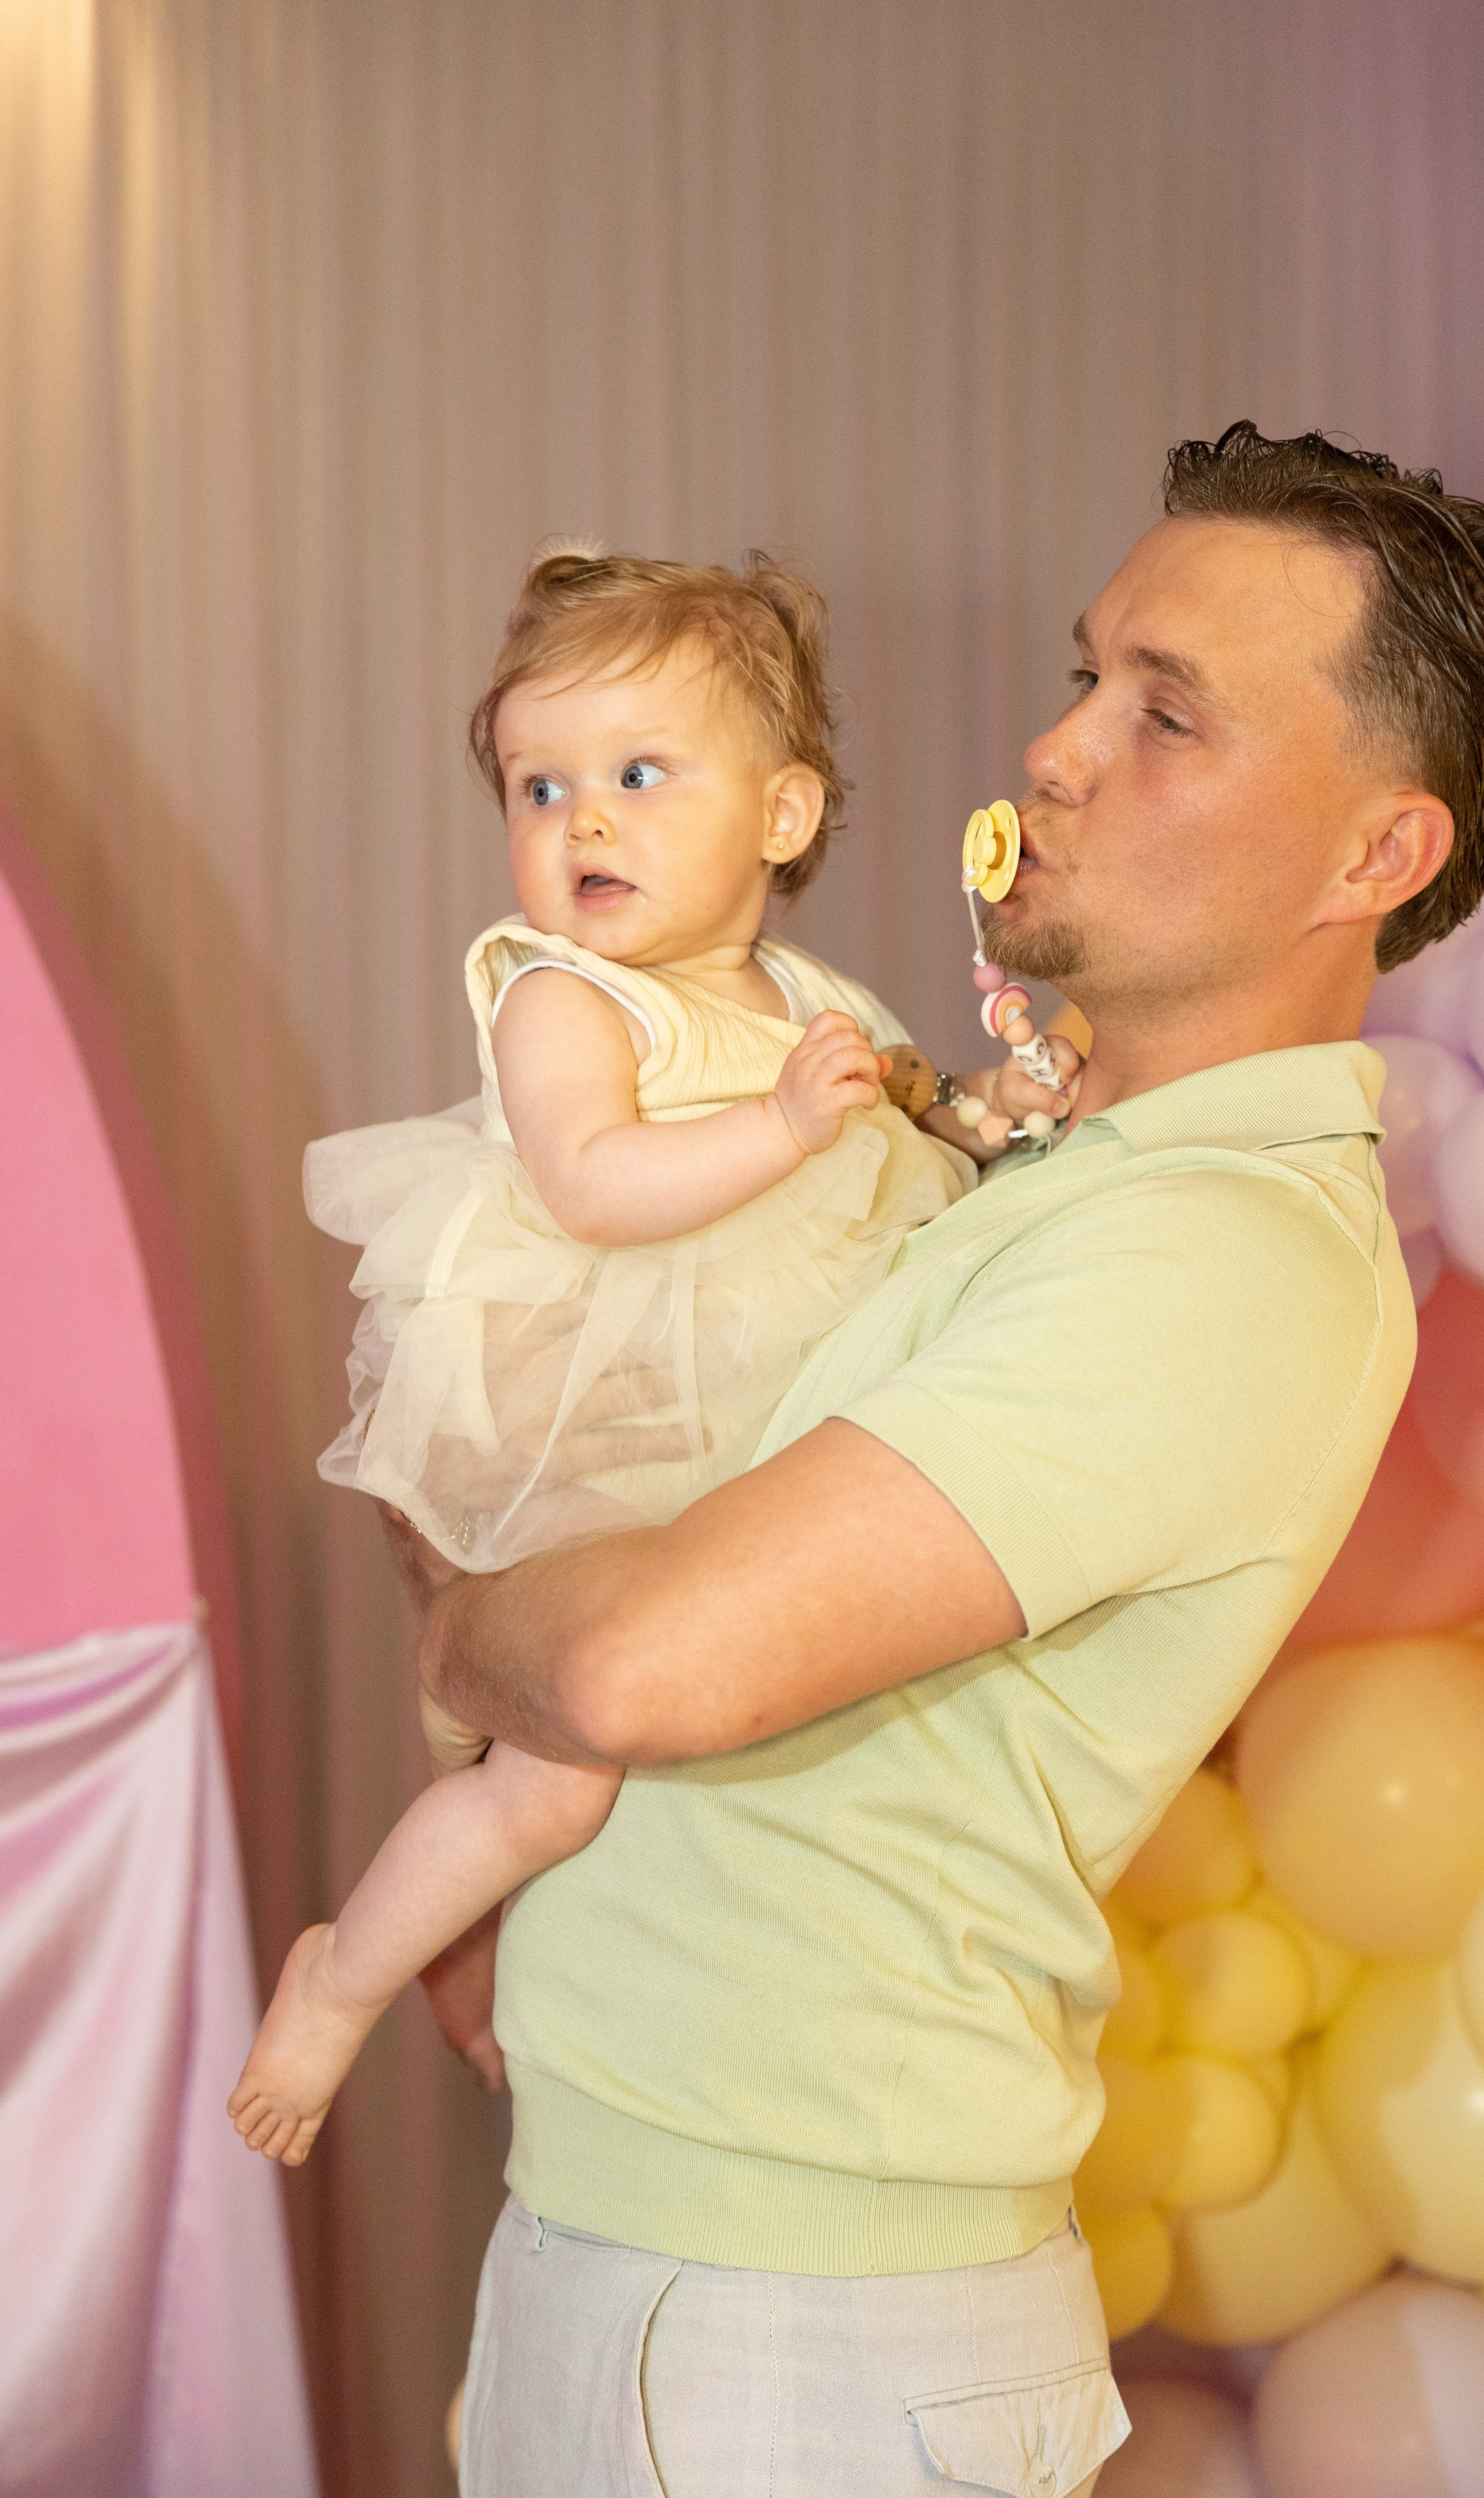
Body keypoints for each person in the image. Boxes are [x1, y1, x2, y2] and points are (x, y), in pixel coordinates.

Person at [414, 424, 1484, 2498]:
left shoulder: (1218, 1247)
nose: (1053, 751)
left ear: (1374, 859)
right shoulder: (1053, 1162)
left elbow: (640, 1666)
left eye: (1167, 714)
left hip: (788, 2328)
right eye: (1082, 675)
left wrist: (458, 1643)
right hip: (673, 2247)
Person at [229, 549, 1065, 2168]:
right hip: (588, 1456)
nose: (581, 823)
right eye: (540, 788)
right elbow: (592, 1188)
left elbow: (908, 1145)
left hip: (740, 1453)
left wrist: (990, 1118)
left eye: (634, 775)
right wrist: (771, 1124)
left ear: (782, 817)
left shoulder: (806, 998)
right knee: (552, 1792)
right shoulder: (569, 1004)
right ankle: (339, 1976)